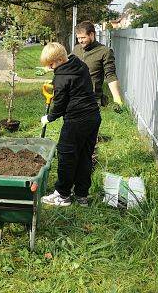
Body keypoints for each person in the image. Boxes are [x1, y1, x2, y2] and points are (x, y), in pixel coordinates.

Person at [40, 42, 101, 207]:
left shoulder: (61, 77)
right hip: (93, 117)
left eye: (51, 64)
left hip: (76, 120)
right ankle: (82, 195)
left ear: (60, 59)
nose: (50, 68)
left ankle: (63, 195)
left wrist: (49, 117)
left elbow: (59, 104)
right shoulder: (79, 64)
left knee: (66, 155)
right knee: (84, 156)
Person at [72, 20, 122, 107]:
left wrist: (117, 99)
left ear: (91, 35)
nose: (80, 41)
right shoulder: (76, 49)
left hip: (91, 100)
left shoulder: (105, 51)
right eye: (78, 38)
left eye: (83, 38)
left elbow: (110, 75)